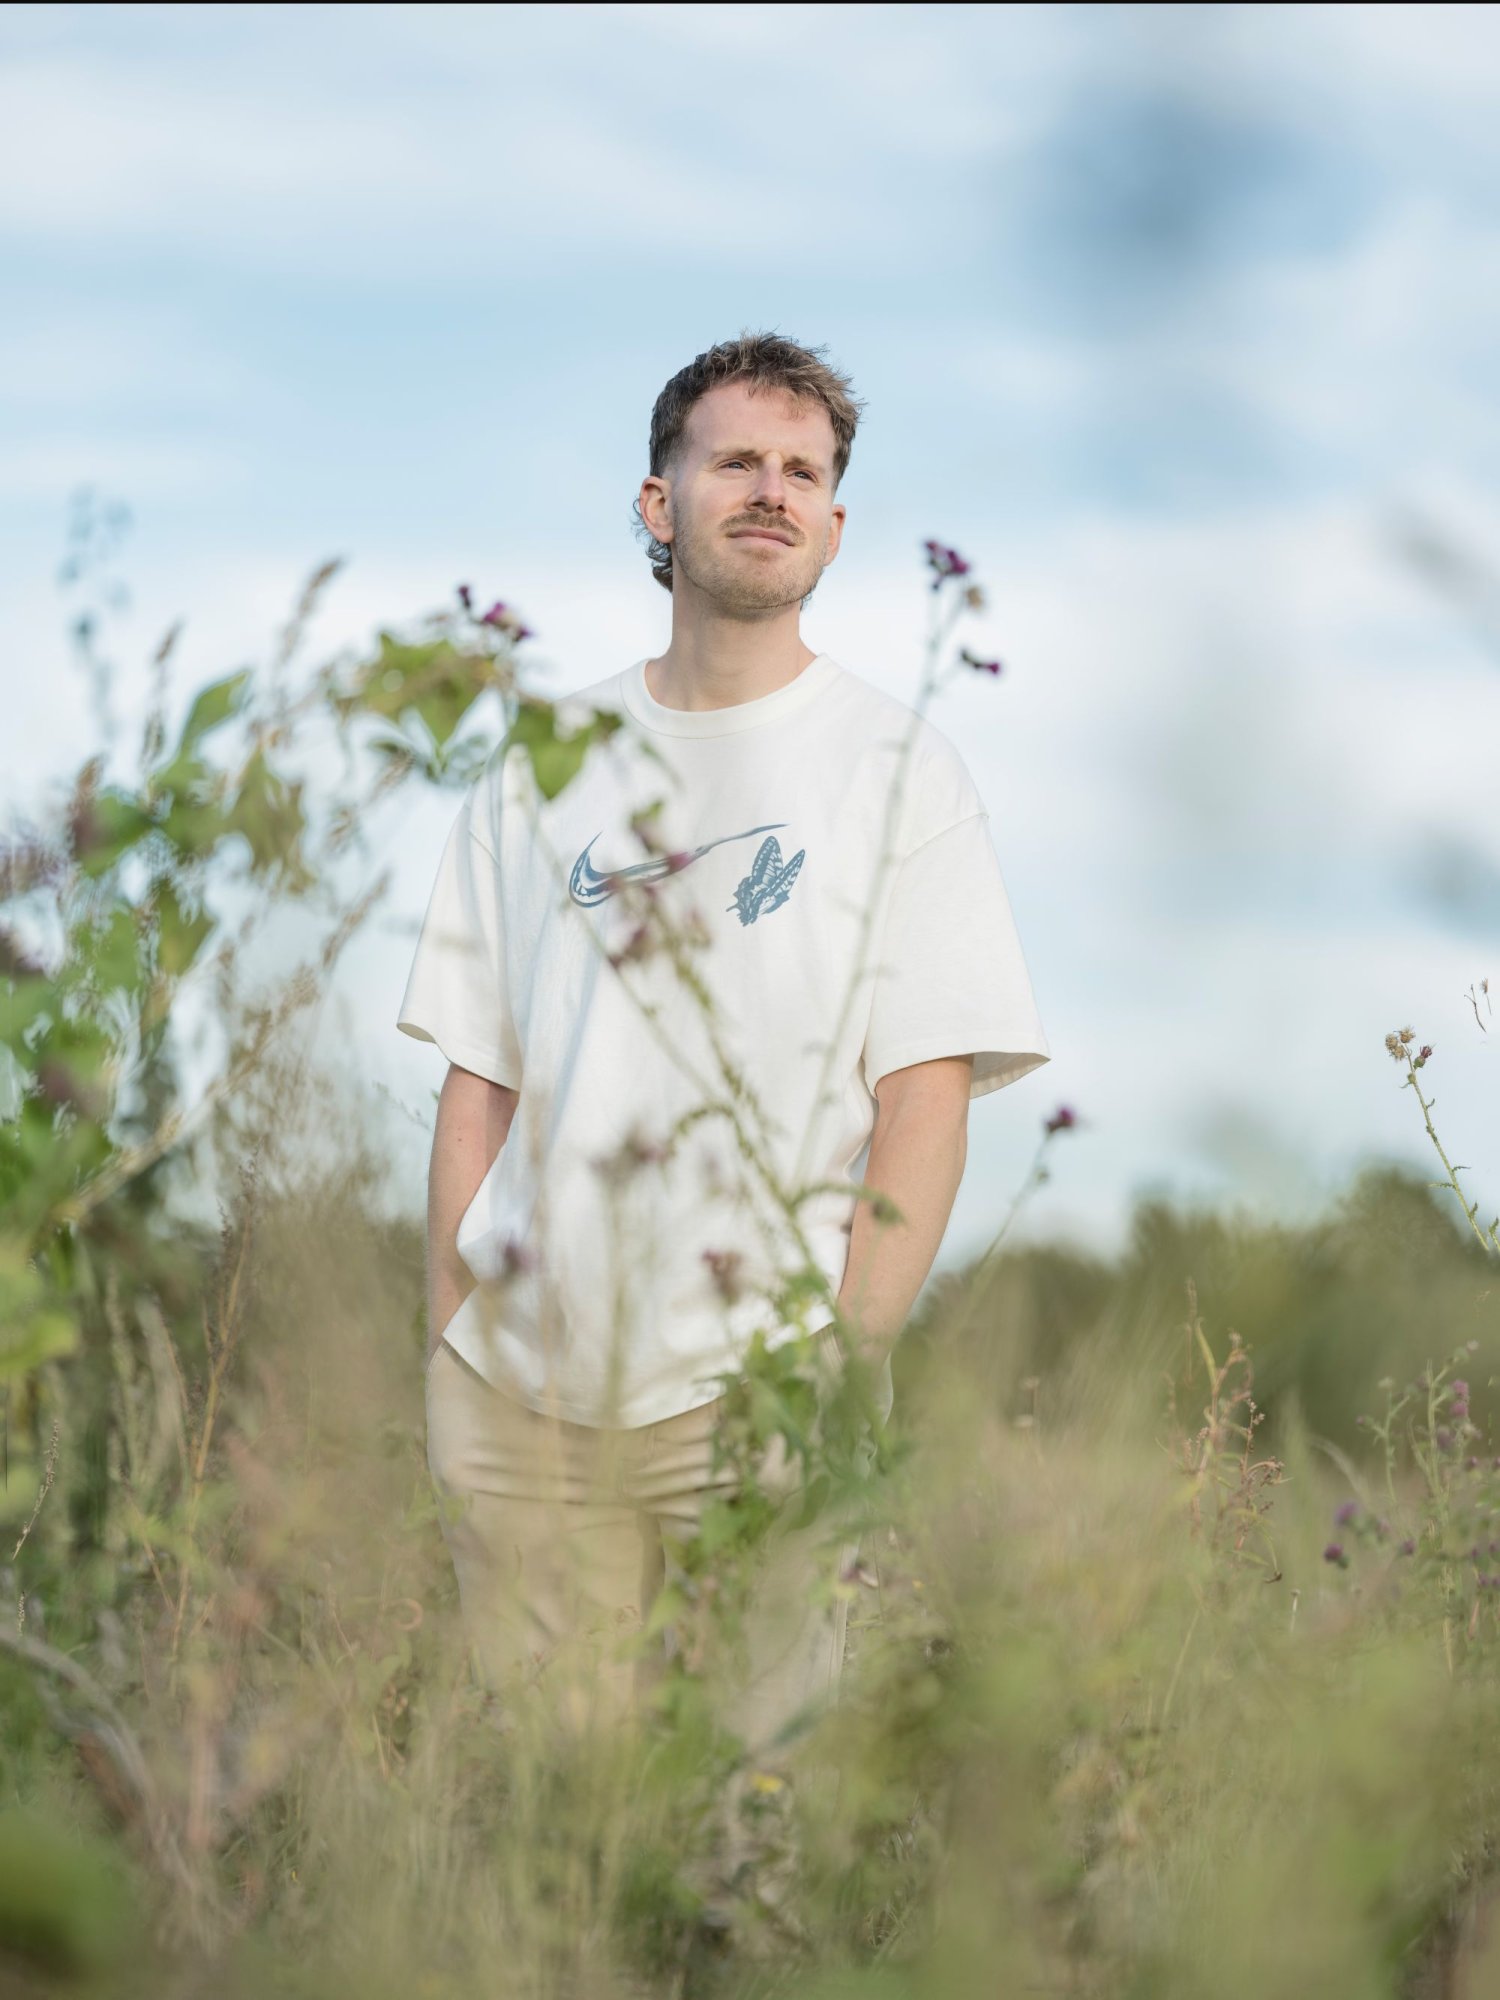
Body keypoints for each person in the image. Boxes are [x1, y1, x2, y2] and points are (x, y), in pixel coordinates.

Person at [396, 329, 1051, 1904]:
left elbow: (926, 1098)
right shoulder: (541, 767)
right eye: (737, 461)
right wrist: (447, 1333)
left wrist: (845, 1362)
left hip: (757, 1401)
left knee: (752, 1848)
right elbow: (479, 1075)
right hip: (524, 1397)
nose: (772, 491)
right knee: (560, 1845)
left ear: (835, 527)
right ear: (657, 501)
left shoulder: (899, 767)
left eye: (805, 473)